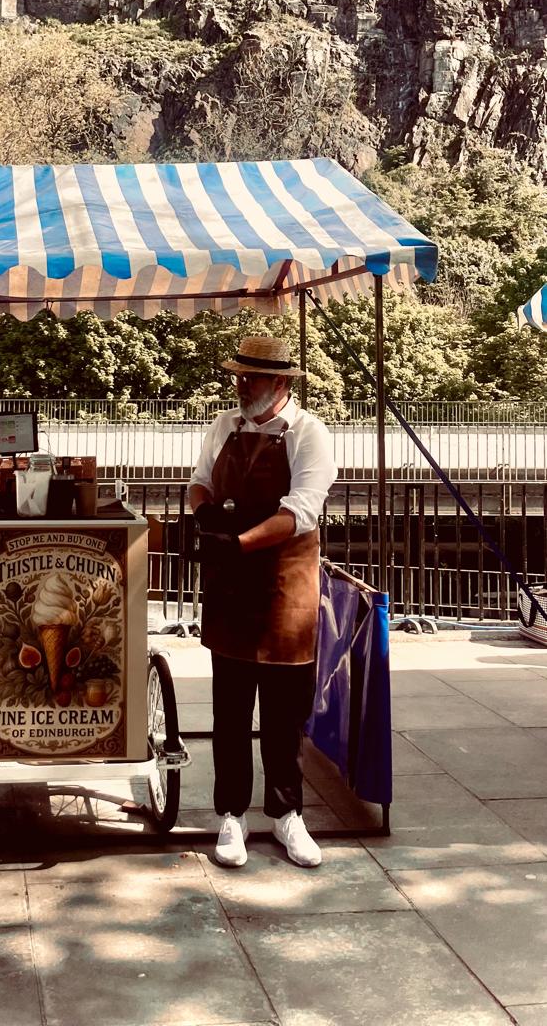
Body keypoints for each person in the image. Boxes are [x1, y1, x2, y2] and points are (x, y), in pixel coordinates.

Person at [188, 334, 337, 870]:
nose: (240, 383)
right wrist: (205, 516)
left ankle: (286, 814)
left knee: (282, 712)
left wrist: (238, 542)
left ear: (279, 383)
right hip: (230, 587)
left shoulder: (309, 435)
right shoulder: (222, 426)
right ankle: (231, 815)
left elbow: (301, 512)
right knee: (229, 710)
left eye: (250, 377)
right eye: (238, 375)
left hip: (283, 587)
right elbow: (199, 483)